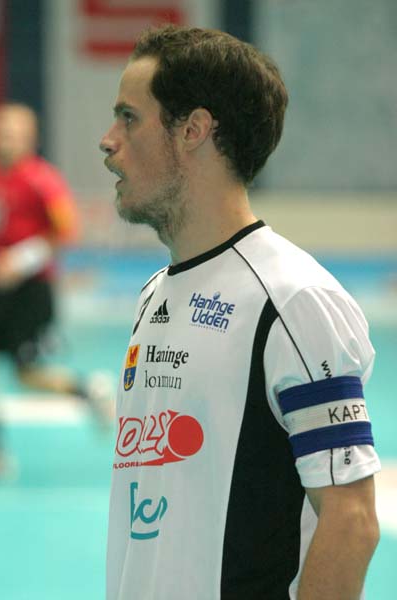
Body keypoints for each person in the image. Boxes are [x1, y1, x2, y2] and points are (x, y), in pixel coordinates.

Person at [100, 25, 381, 600]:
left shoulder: (292, 300)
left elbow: (351, 521)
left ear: (194, 130)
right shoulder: (154, 296)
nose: (108, 142)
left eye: (129, 118)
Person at [0, 103, 112, 474]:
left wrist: (20, 261)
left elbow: (66, 230)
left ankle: (87, 392)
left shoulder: (42, 179)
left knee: (27, 373)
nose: (5, 140)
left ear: (30, 139)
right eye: (2, 132)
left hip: (29, 292)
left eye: (13, 134)